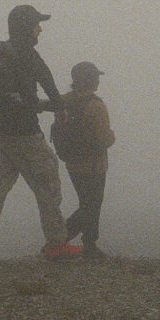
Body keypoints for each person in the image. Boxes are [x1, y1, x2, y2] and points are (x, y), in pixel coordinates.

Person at [0, 4, 79, 262]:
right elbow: (47, 81)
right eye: (36, 25)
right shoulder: (28, 55)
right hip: (25, 133)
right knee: (48, 183)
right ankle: (56, 243)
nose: (39, 30)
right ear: (26, 28)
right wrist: (59, 107)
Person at [56, 61, 115, 259]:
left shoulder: (63, 101)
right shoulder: (96, 106)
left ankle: (78, 243)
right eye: (96, 77)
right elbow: (105, 138)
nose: (98, 81)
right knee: (92, 205)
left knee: (86, 203)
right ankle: (64, 241)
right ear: (91, 81)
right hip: (94, 164)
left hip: (72, 162)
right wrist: (113, 137)